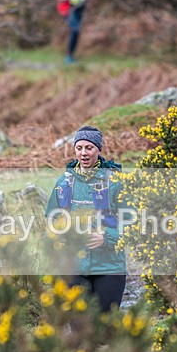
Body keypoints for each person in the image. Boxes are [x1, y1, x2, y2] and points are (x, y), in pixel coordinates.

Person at [45, 125, 128, 313]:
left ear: (99, 149)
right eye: (79, 147)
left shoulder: (116, 181)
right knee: (80, 329)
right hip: (73, 266)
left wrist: (106, 237)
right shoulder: (64, 182)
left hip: (109, 266)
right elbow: (52, 219)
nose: (83, 153)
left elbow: (131, 220)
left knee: (104, 327)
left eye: (89, 148)